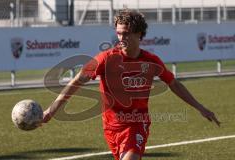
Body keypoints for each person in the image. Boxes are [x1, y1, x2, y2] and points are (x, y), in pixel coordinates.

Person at [42, 9, 220, 160]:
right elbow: (76, 82)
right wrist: (51, 110)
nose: (121, 37)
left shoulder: (151, 61)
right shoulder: (106, 59)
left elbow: (174, 84)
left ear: (139, 34)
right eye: (119, 33)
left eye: (126, 33)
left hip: (137, 123)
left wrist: (200, 107)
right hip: (111, 126)